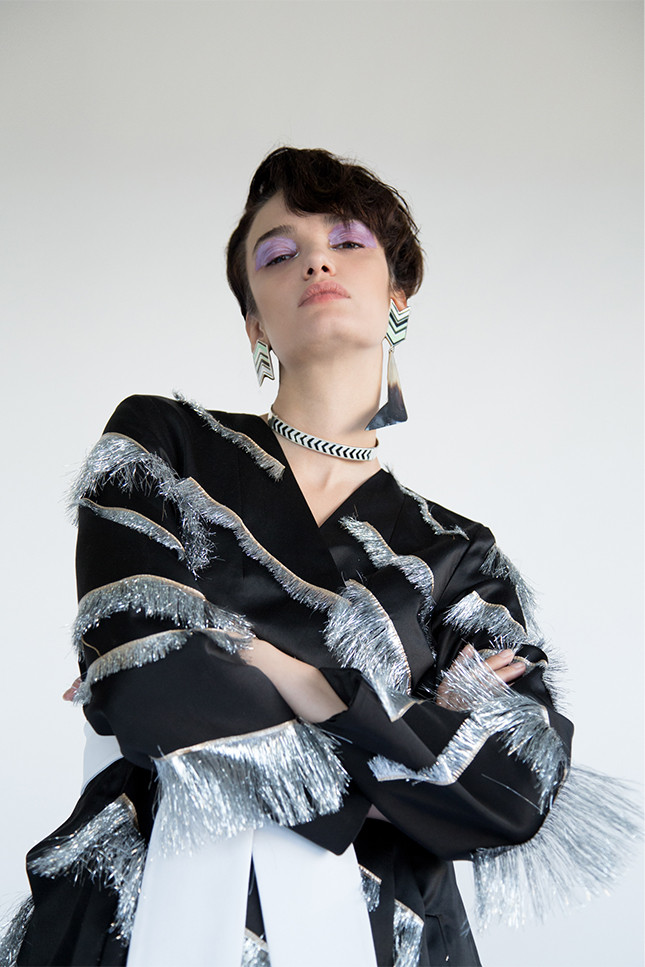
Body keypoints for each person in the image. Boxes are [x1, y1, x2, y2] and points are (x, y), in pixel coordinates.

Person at [2, 147, 637, 967]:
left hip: (387, 935)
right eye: (277, 253)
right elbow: (150, 676)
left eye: (347, 241)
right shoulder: (163, 446)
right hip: (143, 909)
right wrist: (403, 743)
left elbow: (513, 787)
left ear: (397, 297)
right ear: (254, 324)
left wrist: (275, 665)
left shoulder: (459, 555)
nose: (314, 259)